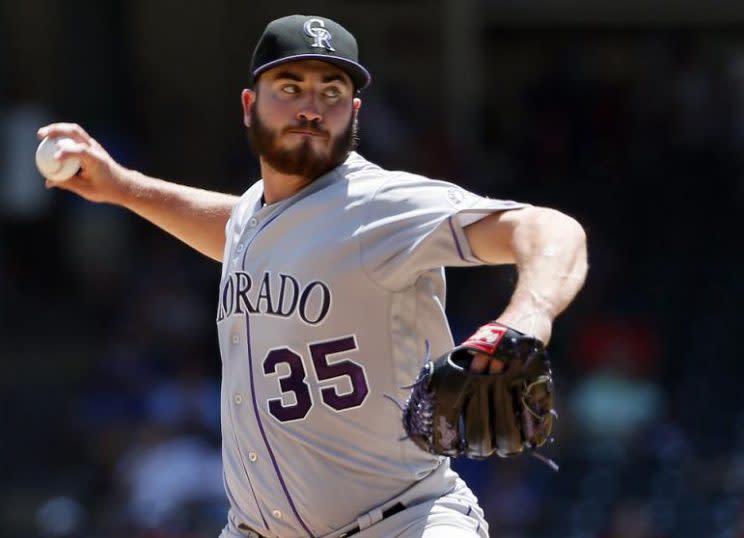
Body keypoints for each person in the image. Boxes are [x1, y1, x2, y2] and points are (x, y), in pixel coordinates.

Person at [38, 14, 587, 538]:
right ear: (250, 105)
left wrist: (525, 321)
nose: (311, 107)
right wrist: (122, 187)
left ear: (354, 111)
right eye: (290, 87)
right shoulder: (258, 217)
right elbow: (237, 230)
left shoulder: (378, 204)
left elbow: (551, 229)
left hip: (401, 523)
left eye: (331, 92)